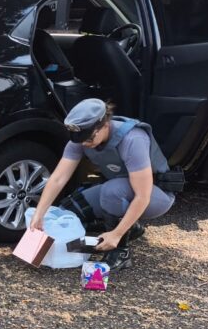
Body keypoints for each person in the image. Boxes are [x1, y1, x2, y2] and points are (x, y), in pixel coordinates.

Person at [29, 98, 175, 271]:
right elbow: (58, 178)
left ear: (105, 125)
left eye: (89, 138)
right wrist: (39, 213)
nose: (84, 143)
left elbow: (142, 196)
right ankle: (131, 228)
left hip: (156, 195)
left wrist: (117, 234)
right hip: (120, 188)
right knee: (70, 209)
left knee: (111, 192)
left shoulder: (133, 139)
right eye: (80, 139)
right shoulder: (83, 139)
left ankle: (120, 251)